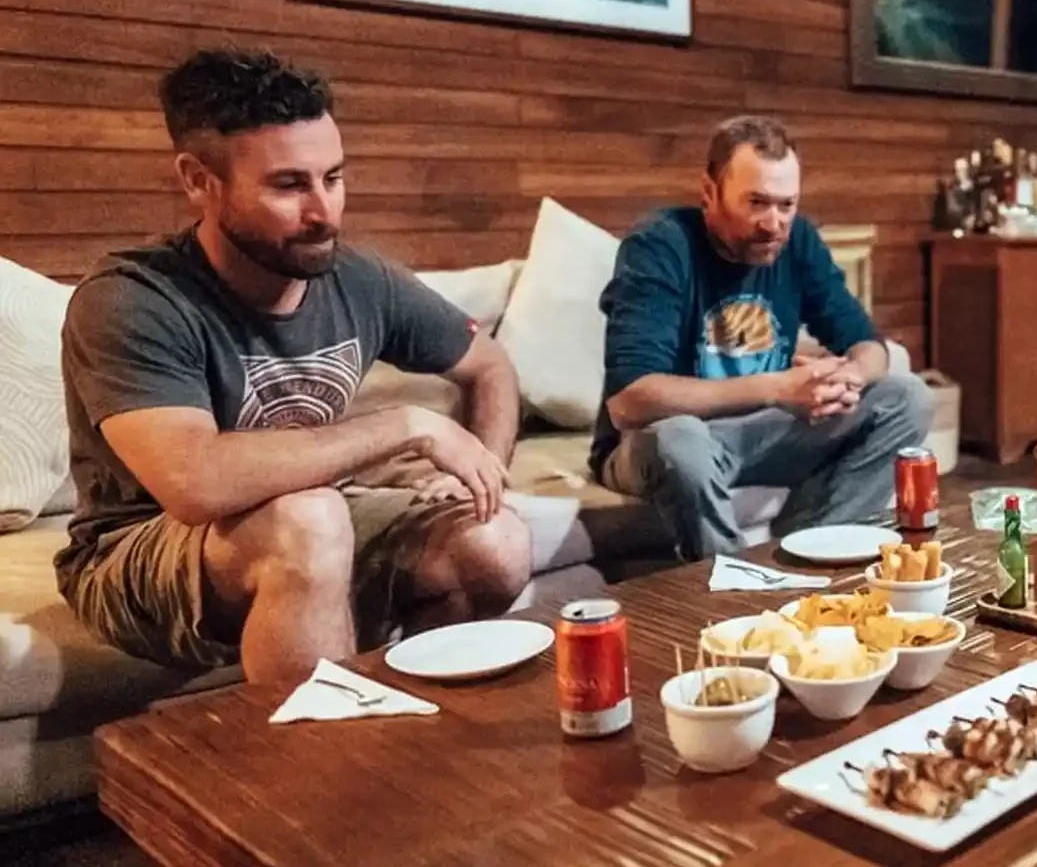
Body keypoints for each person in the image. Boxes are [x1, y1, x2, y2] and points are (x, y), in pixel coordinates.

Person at [55, 49, 532, 685]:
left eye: (333, 178)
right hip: (135, 550)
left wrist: (483, 468)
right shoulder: (132, 297)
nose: (323, 212)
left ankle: (414, 729)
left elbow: (489, 364)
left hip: (310, 518)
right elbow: (195, 486)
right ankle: (314, 774)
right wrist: (407, 426)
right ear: (199, 180)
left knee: (494, 539)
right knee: (306, 521)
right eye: (289, 185)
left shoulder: (362, 279)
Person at [593, 116, 933, 560]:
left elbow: (870, 347)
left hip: (759, 432)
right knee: (681, 440)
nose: (774, 224)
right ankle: (737, 587)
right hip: (661, 441)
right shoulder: (660, 246)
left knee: (907, 397)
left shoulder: (798, 242)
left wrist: (845, 379)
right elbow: (629, 402)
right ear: (709, 193)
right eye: (756, 203)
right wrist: (777, 389)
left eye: (786, 205)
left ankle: (811, 554)